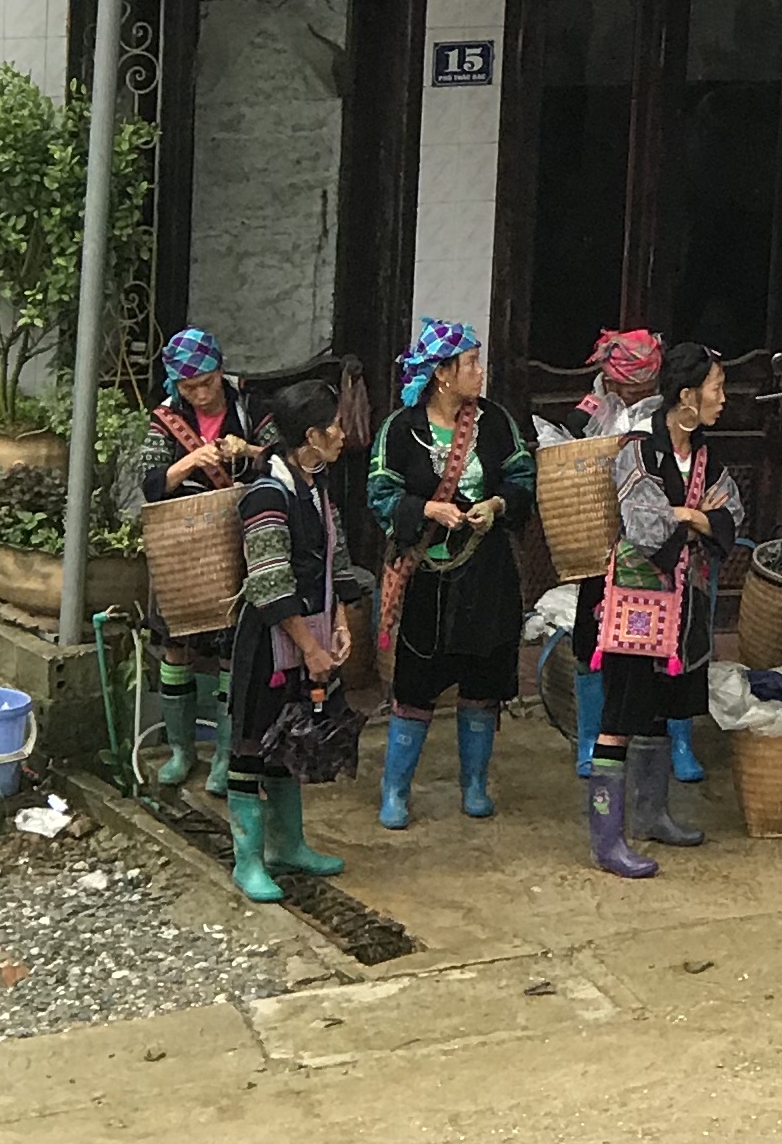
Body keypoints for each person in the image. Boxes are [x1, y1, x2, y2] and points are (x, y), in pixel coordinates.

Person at [584, 341, 743, 878]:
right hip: (637, 602)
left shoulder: (707, 455)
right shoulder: (639, 451)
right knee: (620, 717)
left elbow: (732, 514)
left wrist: (688, 516)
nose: (723, 398)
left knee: (658, 710)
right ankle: (607, 841)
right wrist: (698, 517)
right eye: (717, 388)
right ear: (687, 396)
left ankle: (653, 815)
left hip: (683, 601)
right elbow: (645, 525)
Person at [370, 319, 536, 830]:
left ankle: (475, 784)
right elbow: (380, 493)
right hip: (428, 576)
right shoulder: (402, 429)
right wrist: (426, 509)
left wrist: (496, 505)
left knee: (483, 678)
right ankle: (395, 790)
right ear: (442, 374)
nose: (480, 372)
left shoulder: (496, 422)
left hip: (486, 573)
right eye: (470, 363)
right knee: (415, 682)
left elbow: (523, 476)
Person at [225, 379, 368, 904]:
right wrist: (310, 647)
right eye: (334, 426)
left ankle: (289, 846)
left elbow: (336, 558)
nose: (342, 434)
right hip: (269, 646)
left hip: (311, 632)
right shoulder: (267, 494)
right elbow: (269, 584)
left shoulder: (316, 485)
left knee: (290, 743)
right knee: (252, 747)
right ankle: (247, 860)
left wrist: (340, 623)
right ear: (311, 435)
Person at [140, 327, 262, 797]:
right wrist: (190, 462)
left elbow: (278, 459)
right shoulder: (167, 418)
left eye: (208, 383)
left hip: (236, 543)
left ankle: (225, 756)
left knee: (233, 649)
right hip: (182, 547)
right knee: (177, 646)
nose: (201, 394)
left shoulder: (250, 407)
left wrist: (246, 451)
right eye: (190, 387)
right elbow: (150, 482)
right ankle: (181, 750)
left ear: (220, 370)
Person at [552, 328, 671, 785]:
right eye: (622, 383)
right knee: (590, 637)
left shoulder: (668, 416)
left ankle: (672, 740)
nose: (629, 391)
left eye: (639, 384)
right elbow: (566, 447)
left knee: (665, 641)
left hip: (652, 546)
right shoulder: (595, 407)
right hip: (599, 540)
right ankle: (590, 737)